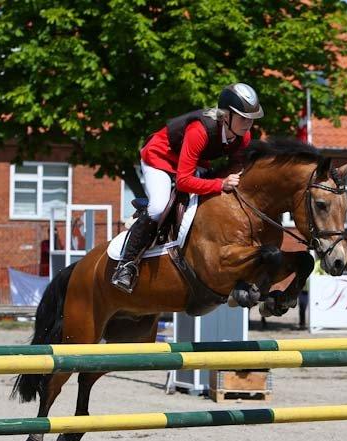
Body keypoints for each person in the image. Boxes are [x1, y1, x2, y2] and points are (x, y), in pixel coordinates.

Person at [111, 83, 264, 293]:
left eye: (252, 119)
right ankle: (126, 266)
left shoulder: (242, 136)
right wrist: (220, 183)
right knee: (158, 206)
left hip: (193, 163)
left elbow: (239, 166)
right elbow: (184, 181)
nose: (249, 124)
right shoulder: (199, 131)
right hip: (161, 159)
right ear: (226, 116)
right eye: (243, 118)